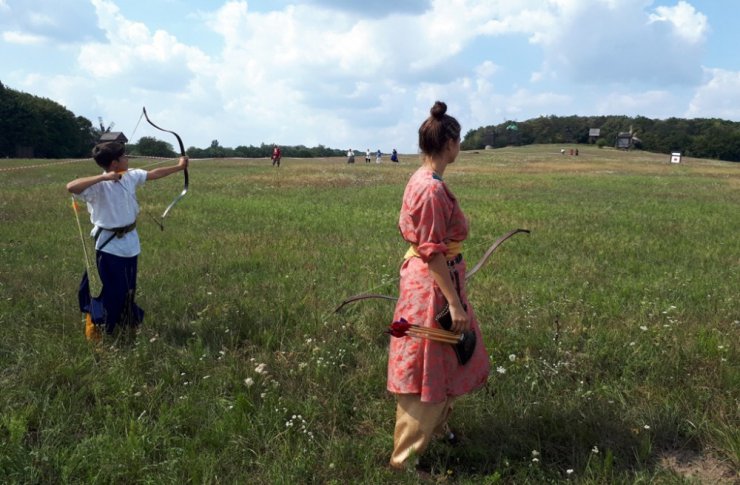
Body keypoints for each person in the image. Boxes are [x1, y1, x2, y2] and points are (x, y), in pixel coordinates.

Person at [388, 101, 490, 470]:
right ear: (449, 143)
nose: (459, 147)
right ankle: (404, 459)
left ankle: (437, 433)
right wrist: (455, 304)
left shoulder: (422, 177)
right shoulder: (430, 189)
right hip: (433, 287)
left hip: (437, 282)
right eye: (458, 140)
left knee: (443, 359)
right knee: (425, 370)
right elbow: (432, 254)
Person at [66, 141, 188, 339]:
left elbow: (155, 173)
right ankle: (99, 331)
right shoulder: (97, 186)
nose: (127, 159)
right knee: (108, 291)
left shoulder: (131, 176)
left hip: (130, 243)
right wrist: (104, 177)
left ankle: (125, 326)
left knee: (128, 289)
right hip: (108, 245)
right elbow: (71, 186)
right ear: (114, 163)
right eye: (124, 157)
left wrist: (179, 167)